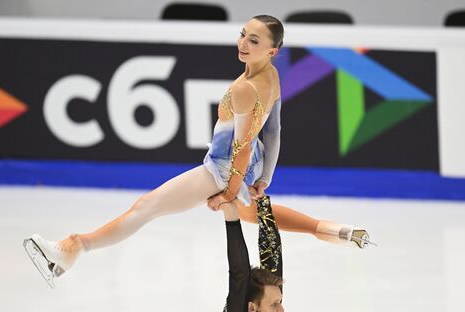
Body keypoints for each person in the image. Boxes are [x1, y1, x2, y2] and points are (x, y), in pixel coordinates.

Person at [23, 15, 373, 289]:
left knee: (147, 207)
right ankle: (330, 230)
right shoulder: (273, 76)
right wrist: (264, 176)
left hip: (223, 168)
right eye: (242, 34)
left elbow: (242, 145)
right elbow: (274, 130)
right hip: (248, 166)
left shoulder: (244, 88)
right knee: (255, 215)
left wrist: (228, 193)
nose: (243, 43)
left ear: (272, 50)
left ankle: (75, 246)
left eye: (254, 40)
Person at [215, 195, 293, 312]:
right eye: (274, 304)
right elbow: (239, 275)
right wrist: (230, 214)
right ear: (252, 308)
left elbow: (272, 256)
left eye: (279, 302)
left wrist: (261, 200)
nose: (282, 310)